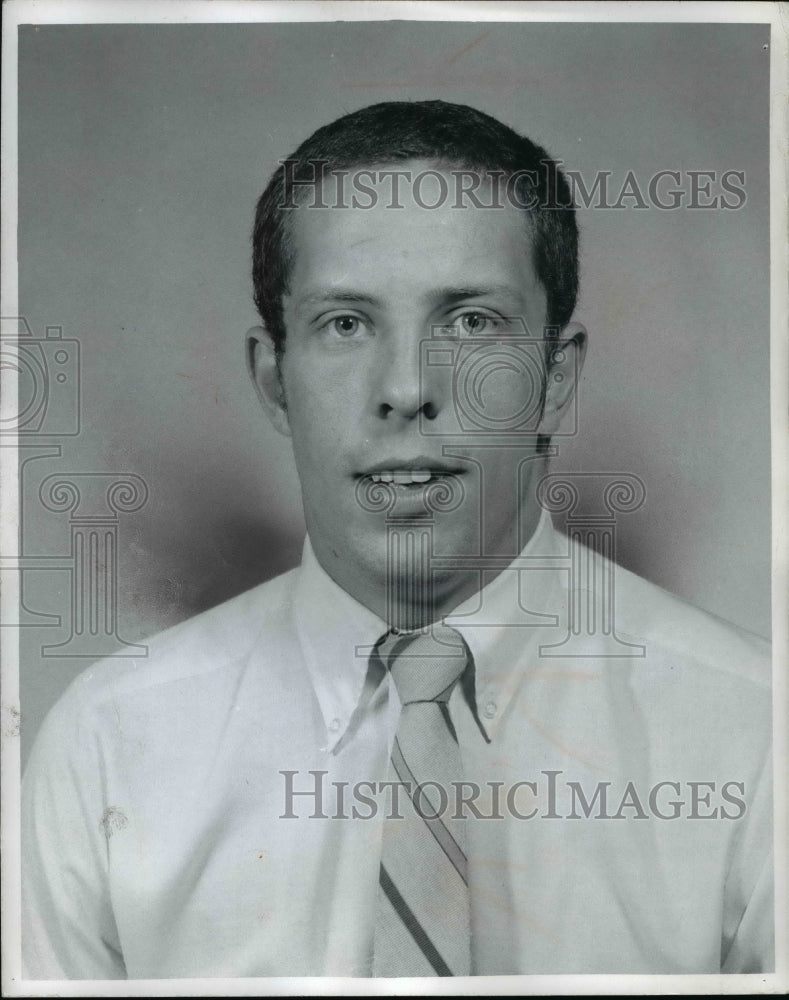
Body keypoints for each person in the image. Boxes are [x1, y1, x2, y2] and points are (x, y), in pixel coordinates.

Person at [22, 100, 772, 979]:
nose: (406, 388)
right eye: (345, 323)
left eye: (470, 322)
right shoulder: (108, 746)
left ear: (555, 381)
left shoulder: (757, 734)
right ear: (274, 380)